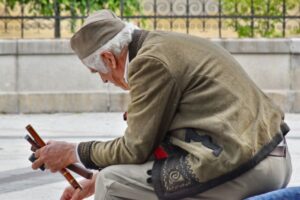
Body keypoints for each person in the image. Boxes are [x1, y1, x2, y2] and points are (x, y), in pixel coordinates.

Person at [32, 9, 292, 200]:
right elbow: (158, 145)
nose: (104, 80)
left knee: (112, 184)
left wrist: (72, 152)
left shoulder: (149, 63)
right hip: (269, 159)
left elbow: (134, 149)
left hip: (246, 169)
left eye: (97, 72)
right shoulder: (166, 44)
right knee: (111, 179)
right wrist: (93, 179)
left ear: (109, 59)